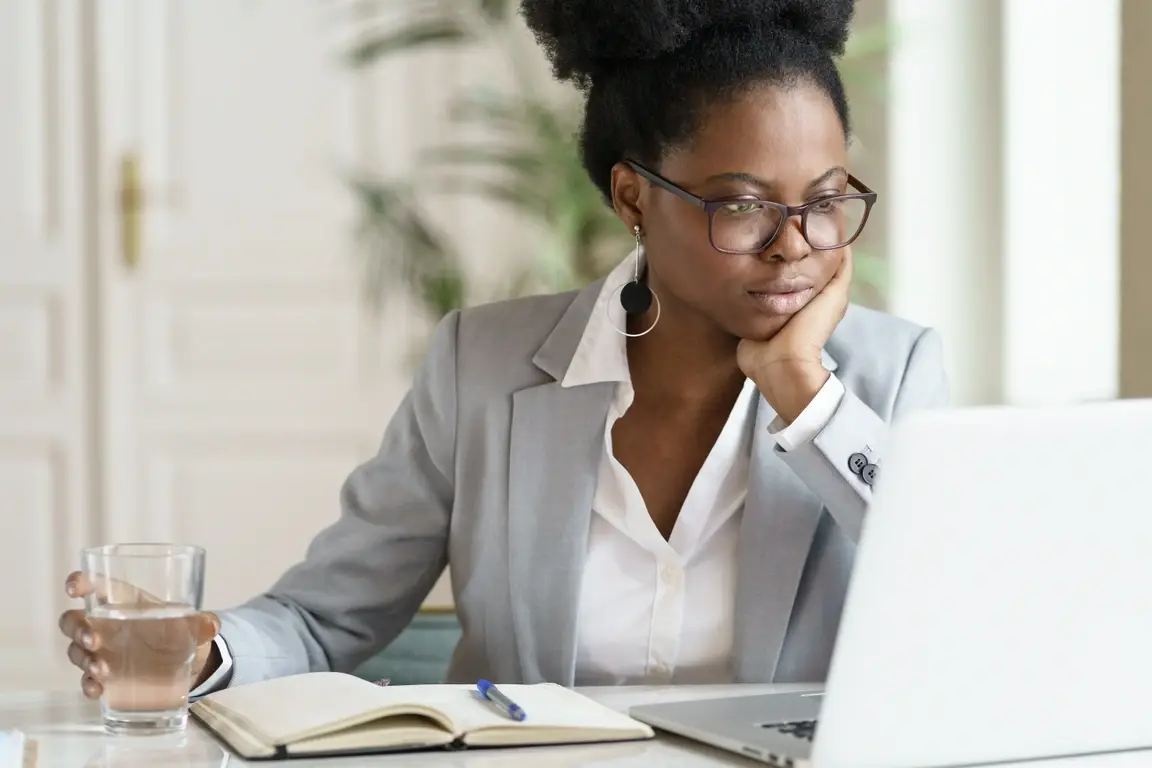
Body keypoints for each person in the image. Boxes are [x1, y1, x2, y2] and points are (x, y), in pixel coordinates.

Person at [58, 0, 948, 699]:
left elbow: (963, 595)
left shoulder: (890, 376)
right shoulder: (480, 367)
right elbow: (324, 618)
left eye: (826, 199)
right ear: (634, 198)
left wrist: (805, 393)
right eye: (744, 204)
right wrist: (201, 649)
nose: (795, 244)